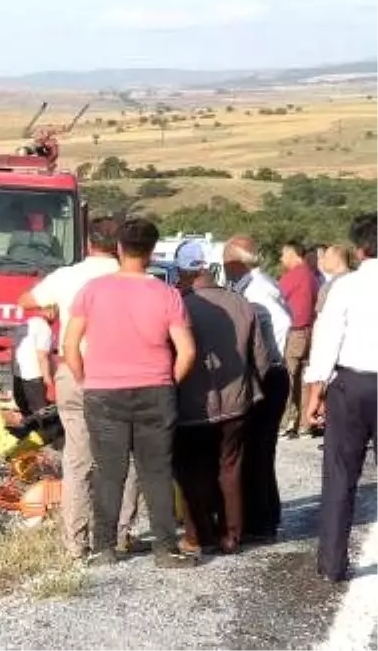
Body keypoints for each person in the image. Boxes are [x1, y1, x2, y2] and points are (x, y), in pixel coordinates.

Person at [63, 218, 198, 568]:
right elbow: (187, 352)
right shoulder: (167, 294)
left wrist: (83, 379)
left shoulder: (93, 291)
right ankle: (166, 550)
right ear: (152, 253)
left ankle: (103, 548)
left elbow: (70, 344)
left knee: (109, 472)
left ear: (119, 249)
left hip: (103, 392)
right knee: (156, 471)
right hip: (155, 390)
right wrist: (168, 382)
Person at [18, 216, 144, 560]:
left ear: (87, 243)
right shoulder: (137, 279)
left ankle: (75, 542)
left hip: (74, 373)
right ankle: (119, 535)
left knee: (77, 459)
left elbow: (25, 300)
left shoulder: (66, 276)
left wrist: (53, 305)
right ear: (119, 246)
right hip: (122, 375)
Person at [171, 242, 270, 555]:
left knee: (192, 469)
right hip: (237, 405)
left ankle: (198, 536)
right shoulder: (242, 303)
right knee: (230, 468)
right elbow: (262, 361)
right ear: (210, 268)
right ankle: (231, 536)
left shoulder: (179, 305)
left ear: (183, 271)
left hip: (191, 404)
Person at [303, 213, 378, 582]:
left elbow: (327, 340)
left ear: (360, 248)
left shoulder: (345, 287)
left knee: (339, 477)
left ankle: (332, 565)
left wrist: (315, 391)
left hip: (351, 384)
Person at [222, 234, 291, 544]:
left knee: (260, 450)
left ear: (235, 263)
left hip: (268, 373)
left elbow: (281, 324)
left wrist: (266, 359)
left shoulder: (260, 289)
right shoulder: (250, 286)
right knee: (254, 449)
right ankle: (260, 516)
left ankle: (262, 521)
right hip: (264, 371)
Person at [278, 240, 320, 438]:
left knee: (288, 377)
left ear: (293, 254)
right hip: (309, 331)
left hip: (294, 331)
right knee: (304, 379)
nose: (281, 258)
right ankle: (305, 423)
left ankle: (286, 421)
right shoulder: (312, 276)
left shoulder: (292, 276)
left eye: (283, 254)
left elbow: (278, 298)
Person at [12, 304, 55, 417]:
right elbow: (42, 356)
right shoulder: (44, 328)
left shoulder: (24, 325)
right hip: (35, 377)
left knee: (26, 414)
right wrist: (49, 381)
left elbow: (14, 351)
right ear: (51, 312)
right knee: (42, 415)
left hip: (18, 376)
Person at [314, 244, 354, 315]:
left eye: (326, 257)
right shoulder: (360, 279)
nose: (323, 261)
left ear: (336, 260)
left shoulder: (328, 287)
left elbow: (322, 319)